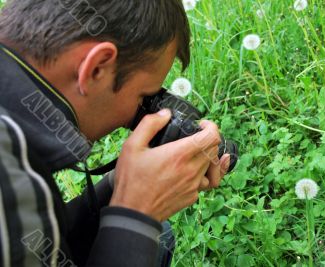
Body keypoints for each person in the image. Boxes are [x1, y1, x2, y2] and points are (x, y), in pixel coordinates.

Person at [0, 0, 231, 266]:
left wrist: (123, 184)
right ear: (96, 67)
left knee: (157, 236)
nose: (137, 115)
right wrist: (137, 210)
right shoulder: (10, 180)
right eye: (143, 96)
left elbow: (40, 245)